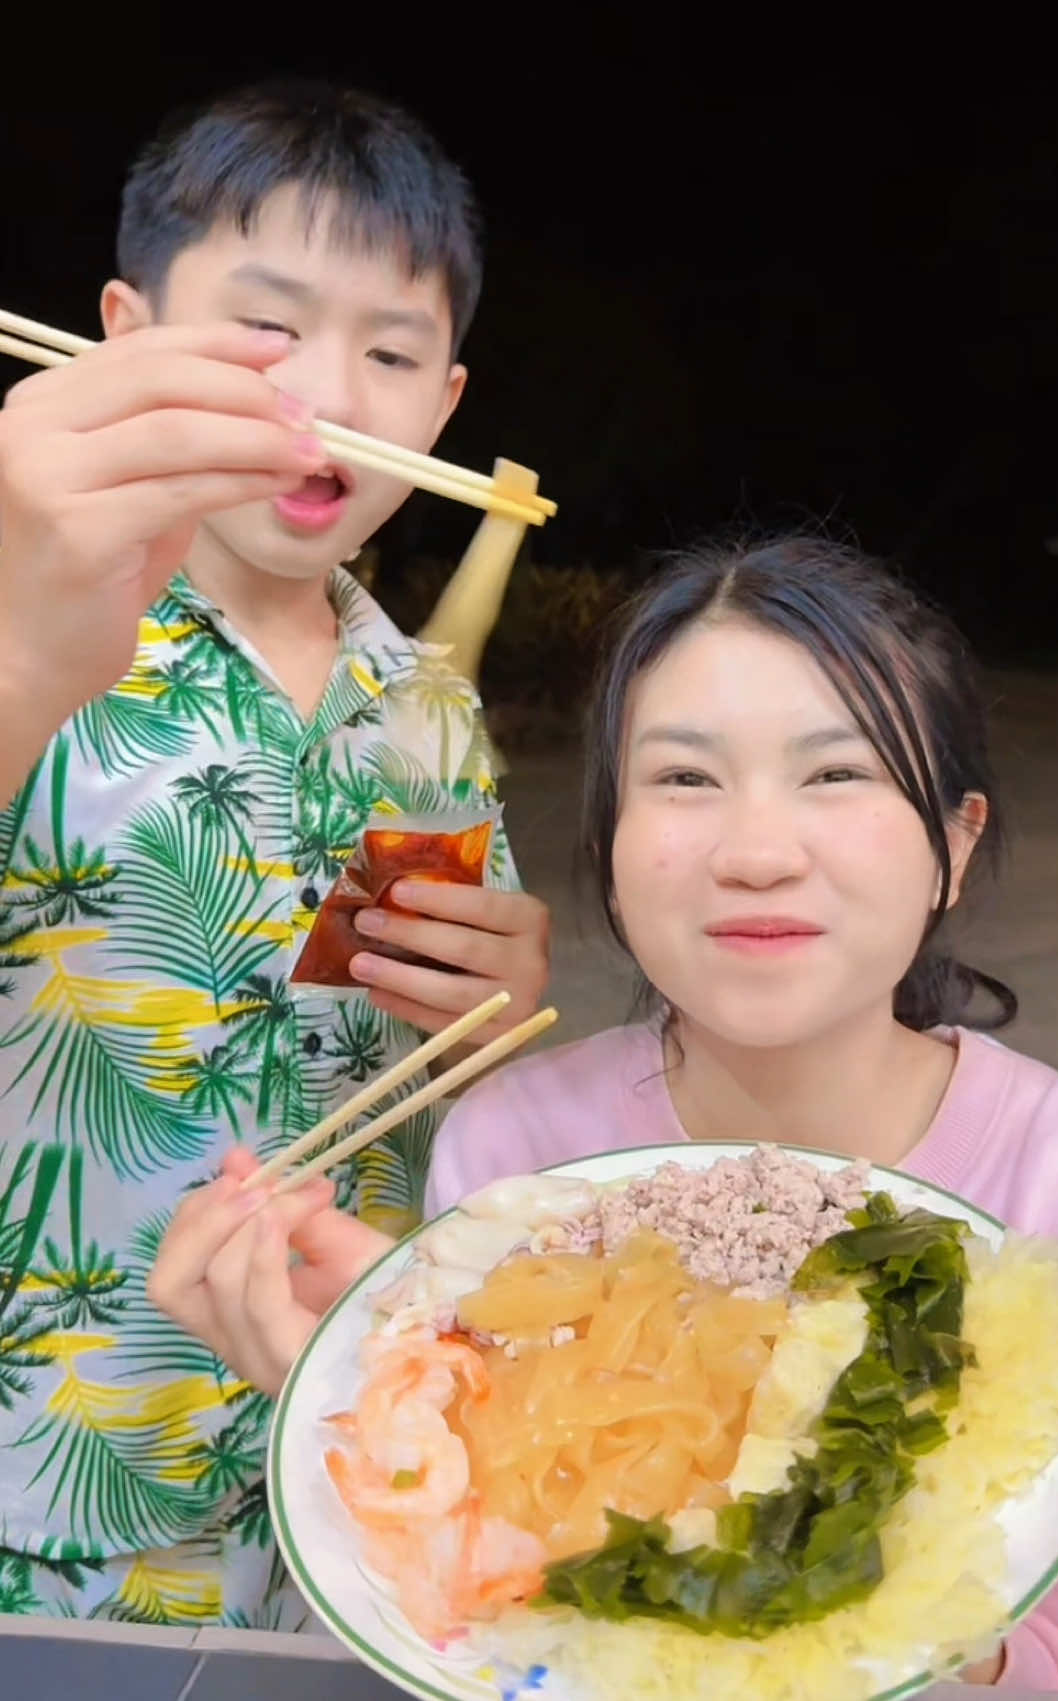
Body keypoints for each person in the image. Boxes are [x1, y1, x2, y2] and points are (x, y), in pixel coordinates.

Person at [150, 535, 1058, 1690]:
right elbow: (502, 1623)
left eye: (835, 775)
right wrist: (362, 1394)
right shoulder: (516, 1150)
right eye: (685, 779)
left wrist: (877, 1614)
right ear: (609, 841)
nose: (754, 853)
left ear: (953, 843)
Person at [0, 82, 549, 1625]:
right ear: (123, 331)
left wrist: (493, 1031)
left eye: (388, 354)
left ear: (444, 405)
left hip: (349, 1506)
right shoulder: (25, 614)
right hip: (48, 1514)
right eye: (267, 331)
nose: (330, 395)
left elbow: (442, 1105)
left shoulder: (422, 706)